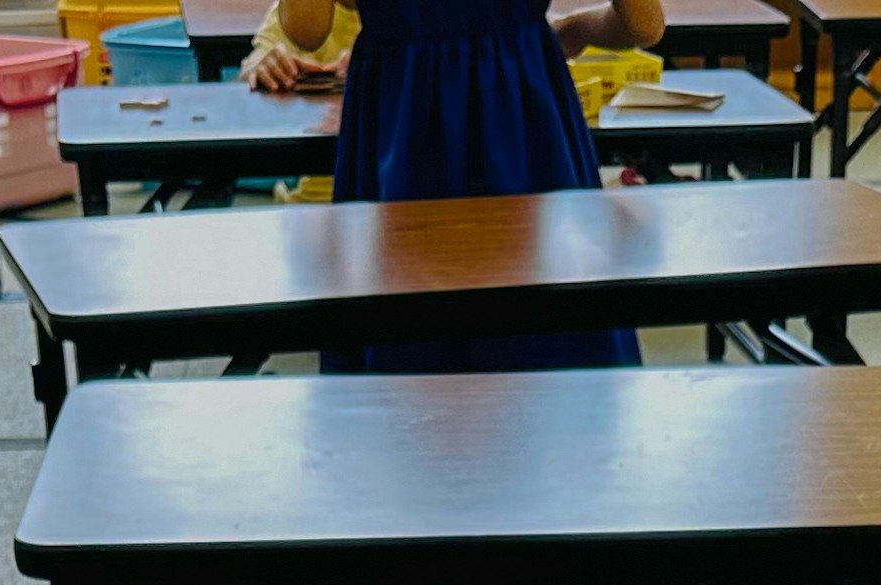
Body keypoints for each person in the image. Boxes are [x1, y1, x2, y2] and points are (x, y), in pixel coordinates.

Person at [265, 0, 669, 368]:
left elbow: (305, 29)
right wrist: (572, 30)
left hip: (404, 114)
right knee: (547, 318)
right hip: (524, 109)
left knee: (404, 325)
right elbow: (642, 25)